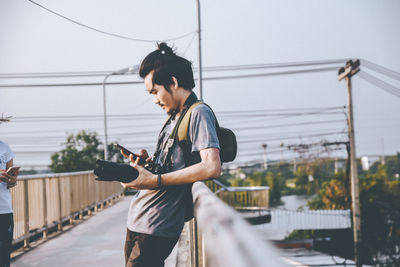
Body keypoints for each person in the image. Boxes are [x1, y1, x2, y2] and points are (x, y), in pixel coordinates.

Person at [120, 43, 221, 267]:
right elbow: (173, 164)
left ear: (173, 83)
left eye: (155, 92)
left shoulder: (199, 113)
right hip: (139, 219)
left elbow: (212, 166)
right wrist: (147, 165)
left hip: (157, 225)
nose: (155, 100)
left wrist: (155, 180)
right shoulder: (174, 117)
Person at [0, 141, 18, 267]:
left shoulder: (4, 147)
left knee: (4, 254)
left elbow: (12, 182)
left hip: (4, 208)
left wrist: (12, 179)